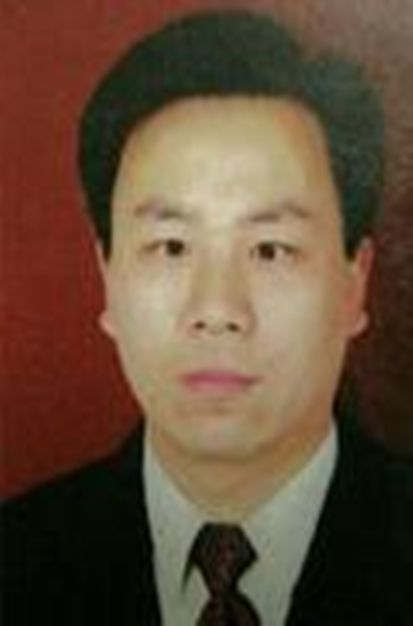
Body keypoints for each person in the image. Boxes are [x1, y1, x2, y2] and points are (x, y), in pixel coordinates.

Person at [2, 9, 412, 626]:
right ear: (107, 278)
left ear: (355, 283)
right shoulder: (17, 562)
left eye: (271, 250)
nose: (218, 311)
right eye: (171, 247)